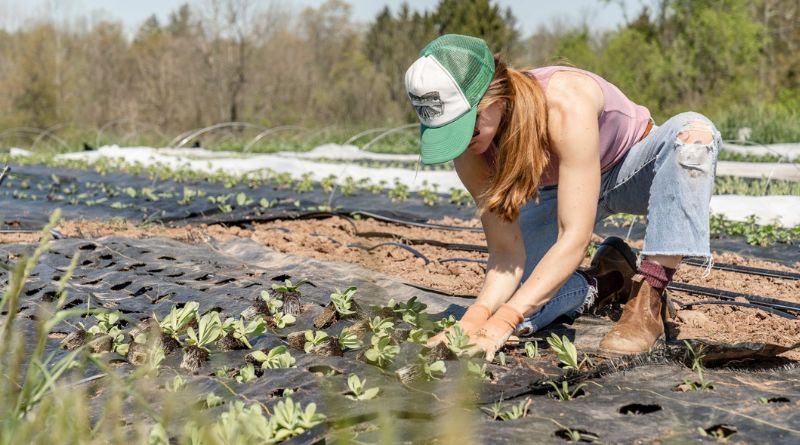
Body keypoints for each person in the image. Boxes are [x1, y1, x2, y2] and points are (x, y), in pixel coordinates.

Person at [404, 34, 721, 361]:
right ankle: (606, 280)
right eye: (448, 133)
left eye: (467, 127)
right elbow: (506, 254)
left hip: (630, 169)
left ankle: (649, 297)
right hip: (561, 190)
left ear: (494, 94)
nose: (463, 142)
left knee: (694, 136)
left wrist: (503, 321)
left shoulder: (563, 102)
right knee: (522, 300)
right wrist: (475, 319)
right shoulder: (469, 151)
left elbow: (574, 237)